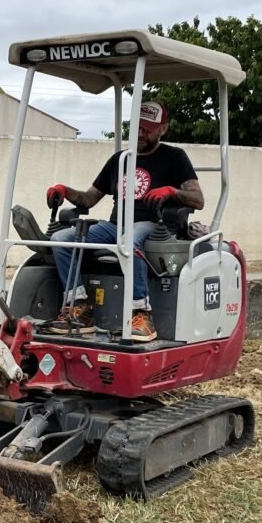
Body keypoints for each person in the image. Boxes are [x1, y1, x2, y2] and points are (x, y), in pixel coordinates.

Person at [44, 100, 204, 342]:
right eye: (137, 126)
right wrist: (64, 190)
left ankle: (142, 313)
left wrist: (171, 191)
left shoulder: (174, 158)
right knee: (62, 238)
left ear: (163, 129)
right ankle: (80, 307)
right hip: (114, 226)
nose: (140, 132)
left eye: (148, 128)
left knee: (129, 239)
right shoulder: (120, 159)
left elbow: (198, 199)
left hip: (153, 225)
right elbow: (89, 199)